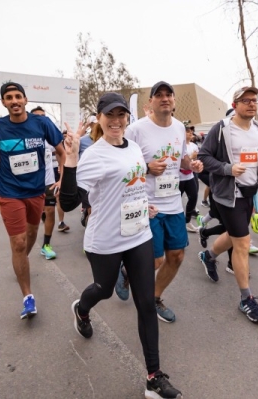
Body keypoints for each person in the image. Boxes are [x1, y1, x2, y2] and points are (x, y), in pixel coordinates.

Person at [59, 93, 182, 398]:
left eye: (121, 115)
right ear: (99, 119)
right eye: (109, 115)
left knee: (144, 304)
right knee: (103, 289)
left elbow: (134, 184)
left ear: (127, 118)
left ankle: (154, 377)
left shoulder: (135, 148)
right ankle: (82, 310)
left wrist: (145, 206)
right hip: (105, 240)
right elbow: (70, 202)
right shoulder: (95, 154)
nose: (116, 121)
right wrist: (71, 160)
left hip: (138, 234)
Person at [0, 82, 64, 319]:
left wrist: (63, 178)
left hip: (36, 191)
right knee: (19, 242)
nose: (14, 101)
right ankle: (28, 297)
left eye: (18, 96)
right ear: (3, 102)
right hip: (10, 193)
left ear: (25, 100)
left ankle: (21, 261)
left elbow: (61, 150)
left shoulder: (41, 123)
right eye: (9, 97)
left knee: (32, 234)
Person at [124, 81, 203, 323]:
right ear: (150, 102)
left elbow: (180, 161)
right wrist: (146, 168)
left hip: (173, 203)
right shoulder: (136, 130)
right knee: (156, 259)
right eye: (159, 95)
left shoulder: (179, 127)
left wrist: (192, 164)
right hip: (148, 204)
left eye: (169, 95)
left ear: (174, 101)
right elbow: (122, 164)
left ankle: (155, 297)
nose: (165, 98)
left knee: (177, 256)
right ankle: (126, 271)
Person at [197, 86, 258, 322]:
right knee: (242, 243)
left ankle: (208, 256)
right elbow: (204, 157)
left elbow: (253, 160)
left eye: (255, 100)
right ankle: (246, 299)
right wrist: (228, 169)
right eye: (246, 100)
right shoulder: (222, 129)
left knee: (235, 235)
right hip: (228, 194)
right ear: (236, 103)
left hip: (249, 192)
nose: (252, 104)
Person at [30, 106, 66, 261]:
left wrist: (61, 178)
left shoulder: (49, 137)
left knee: (50, 211)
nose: (41, 118)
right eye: (37, 116)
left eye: (43, 116)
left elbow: (61, 154)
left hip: (48, 182)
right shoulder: (25, 135)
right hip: (28, 185)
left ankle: (46, 245)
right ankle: (23, 248)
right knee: (31, 220)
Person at [180, 125, 199, 233]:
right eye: (188, 132)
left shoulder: (194, 146)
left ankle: (187, 221)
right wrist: (191, 157)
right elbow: (179, 160)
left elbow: (195, 160)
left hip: (190, 176)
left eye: (191, 132)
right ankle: (178, 222)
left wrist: (196, 163)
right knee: (177, 200)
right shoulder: (179, 146)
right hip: (179, 177)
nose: (190, 133)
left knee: (194, 197)